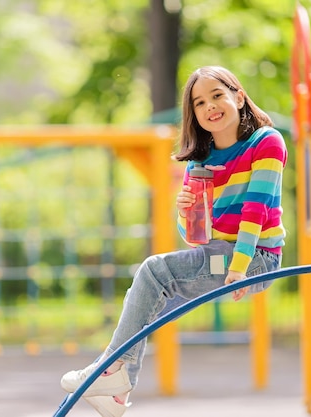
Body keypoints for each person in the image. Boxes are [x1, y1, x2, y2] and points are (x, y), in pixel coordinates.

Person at [60, 65, 287, 417]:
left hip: (255, 257)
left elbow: (254, 213)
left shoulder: (266, 143)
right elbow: (195, 236)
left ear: (239, 97)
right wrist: (186, 211)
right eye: (199, 102)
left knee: (153, 271)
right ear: (193, 114)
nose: (210, 106)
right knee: (143, 293)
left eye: (217, 95)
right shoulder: (200, 160)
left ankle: (112, 372)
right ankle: (115, 388)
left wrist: (240, 270)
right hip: (218, 253)